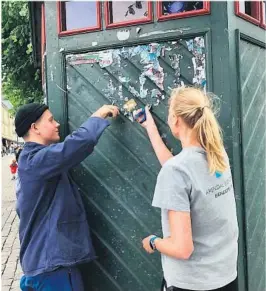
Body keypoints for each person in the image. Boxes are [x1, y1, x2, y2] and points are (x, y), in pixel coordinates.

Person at [135, 86, 239, 291]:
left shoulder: (178, 171)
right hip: (226, 278)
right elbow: (179, 171)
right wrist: (151, 129)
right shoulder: (217, 156)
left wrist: (154, 241)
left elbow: (182, 249)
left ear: (175, 119)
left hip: (192, 284)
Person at [15, 102, 119, 291]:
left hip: (43, 264)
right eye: (51, 120)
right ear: (34, 127)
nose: (57, 124)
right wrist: (99, 115)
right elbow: (75, 145)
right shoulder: (37, 161)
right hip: (52, 267)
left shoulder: (29, 161)